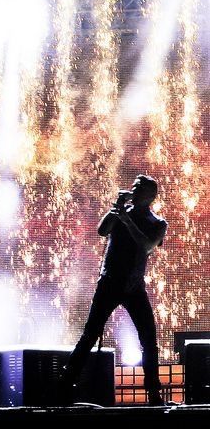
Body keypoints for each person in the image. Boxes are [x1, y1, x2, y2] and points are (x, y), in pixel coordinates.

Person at [63, 174, 168, 406]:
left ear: (151, 196)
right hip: (109, 282)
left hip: (133, 286)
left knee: (148, 338)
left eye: (139, 188)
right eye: (134, 186)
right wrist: (116, 210)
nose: (134, 190)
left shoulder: (157, 223)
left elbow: (147, 246)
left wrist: (127, 220)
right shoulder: (120, 214)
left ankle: (153, 391)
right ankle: (66, 383)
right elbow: (102, 231)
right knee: (90, 333)